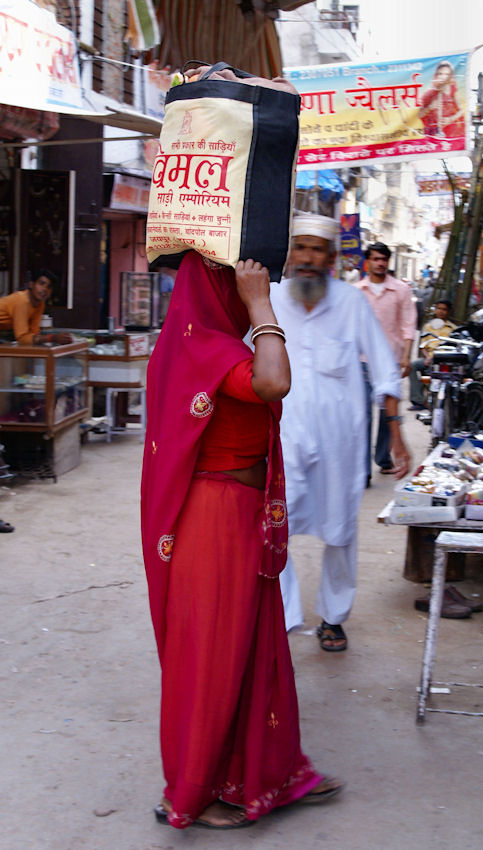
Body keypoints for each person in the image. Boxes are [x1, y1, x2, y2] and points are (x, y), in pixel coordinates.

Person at [141, 249, 342, 831]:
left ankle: (265, 773)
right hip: (217, 518)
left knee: (255, 649)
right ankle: (194, 795)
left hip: (238, 514)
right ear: (217, 288)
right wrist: (262, 307)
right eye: (240, 279)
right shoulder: (210, 346)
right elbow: (274, 381)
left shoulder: (204, 342)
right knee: (214, 656)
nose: (252, 284)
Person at [270, 215, 410, 650]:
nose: (307, 259)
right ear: (290, 254)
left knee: (341, 527)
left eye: (317, 250)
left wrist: (397, 433)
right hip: (282, 435)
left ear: (331, 258)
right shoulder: (269, 299)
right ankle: (283, 612)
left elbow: (386, 371)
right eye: (301, 248)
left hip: (340, 442)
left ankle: (334, 616)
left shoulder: (351, 303)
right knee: (274, 522)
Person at [354, 242, 416, 476]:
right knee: (363, 414)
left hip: (390, 360)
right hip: (361, 360)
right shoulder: (356, 291)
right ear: (367, 262)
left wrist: (407, 357)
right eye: (376, 259)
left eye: (384, 259)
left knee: (387, 413)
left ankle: (383, 458)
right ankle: (362, 470)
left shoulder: (401, 290)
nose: (380, 263)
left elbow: (408, 325)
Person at [0, 270, 72, 345]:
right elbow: (22, 338)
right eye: (41, 284)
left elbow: (33, 334)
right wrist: (52, 338)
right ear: (31, 284)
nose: (44, 289)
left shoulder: (40, 304)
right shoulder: (22, 301)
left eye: (49, 287)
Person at [408, 299, 457, 410]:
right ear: (435, 310)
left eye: (444, 309)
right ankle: (418, 401)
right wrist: (427, 357)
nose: (441, 311)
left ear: (448, 312)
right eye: (439, 308)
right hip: (430, 357)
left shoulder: (453, 329)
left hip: (445, 359)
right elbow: (423, 346)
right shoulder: (428, 327)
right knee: (412, 365)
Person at [419, 60, 466, 139]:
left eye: (446, 74)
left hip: (451, 132)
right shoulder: (428, 93)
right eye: (440, 74)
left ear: (450, 76)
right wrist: (430, 107)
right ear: (436, 75)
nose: (443, 77)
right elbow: (419, 115)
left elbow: (461, 110)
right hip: (433, 133)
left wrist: (450, 119)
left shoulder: (452, 90)